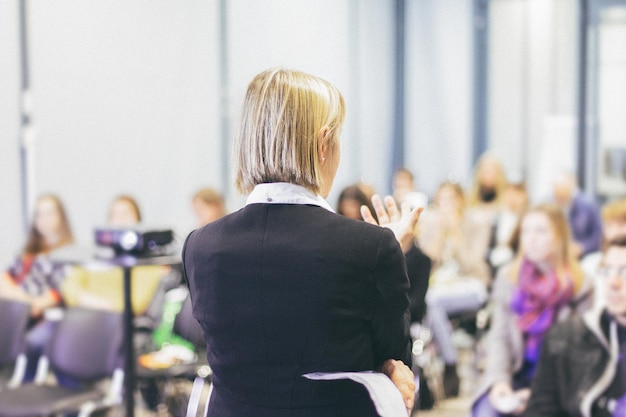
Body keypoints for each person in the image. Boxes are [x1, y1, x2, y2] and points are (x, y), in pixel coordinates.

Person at [183, 68, 420, 417]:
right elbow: (396, 364)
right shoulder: (370, 248)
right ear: (324, 143)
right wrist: (386, 253)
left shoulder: (200, 246)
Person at [472, 203, 594, 417]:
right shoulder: (508, 279)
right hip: (514, 377)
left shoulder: (581, 286)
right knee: (486, 412)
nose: (531, 238)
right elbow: (499, 338)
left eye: (540, 231)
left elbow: (583, 356)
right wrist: (499, 382)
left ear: (559, 237)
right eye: (526, 231)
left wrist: (540, 394)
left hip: (560, 386)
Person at [522, 235, 626, 417]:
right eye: (607, 271)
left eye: (624, 272)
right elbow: (540, 410)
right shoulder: (566, 338)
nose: (613, 283)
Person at [417, 180, 492, 397]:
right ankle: (450, 366)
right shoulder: (432, 225)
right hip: (441, 289)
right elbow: (427, 266)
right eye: (441, 200)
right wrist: (440, 235)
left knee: (432, 302)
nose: (445, 205)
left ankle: (450, 364)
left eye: (450, 199)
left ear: (460, 200)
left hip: (472, 286)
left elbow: (473, 265)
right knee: (430, 303)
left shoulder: (476, 223)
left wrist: (456, 233)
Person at [0, 194, 74, 378]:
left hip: (40, 317)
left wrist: (23, 301)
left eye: (49, 213)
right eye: (39, 214)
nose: (44, 219)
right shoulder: (27, 252)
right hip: (13, 308)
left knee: (29, 341)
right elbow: (5, 278)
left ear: (61, 217)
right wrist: (20, 299)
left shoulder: (67, 253)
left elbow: (56, 294)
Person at [552, 170, 603, 258]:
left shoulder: (588, 205)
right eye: (557, 192)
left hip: (582, 256)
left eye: (563, 191)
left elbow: (598, 235)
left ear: (572, 187)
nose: (560, 197)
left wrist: (582, 248)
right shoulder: (549, 205)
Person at [486, 181, 529, 279]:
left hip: (516, 265)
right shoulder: (497, 217)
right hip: (493, 266)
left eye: (516, 193)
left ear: (524, 196)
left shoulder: (527, 219)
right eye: (508, 193)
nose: (512, 197)